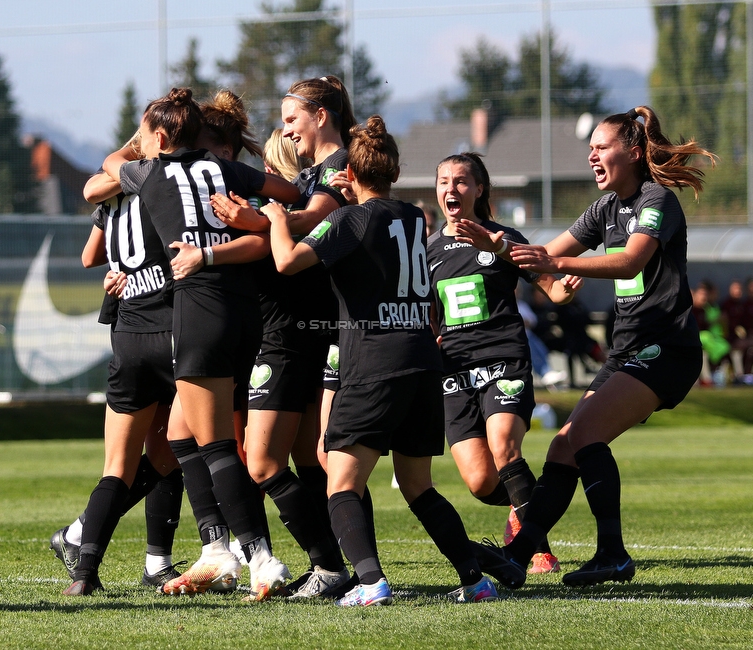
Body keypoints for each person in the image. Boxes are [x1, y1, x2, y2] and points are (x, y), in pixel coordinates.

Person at [460, 106, 712, 586]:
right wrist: (498, 249)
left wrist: (555, 265)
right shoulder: (605, 208)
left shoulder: (656, 200)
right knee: (562, 448)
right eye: (590, 149)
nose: (592, 157)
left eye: (601, 148)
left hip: (664, 350)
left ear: (633, 152)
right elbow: (547, 255)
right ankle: (518, 557)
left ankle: (611, 555)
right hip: (627, 351)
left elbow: (630, 262)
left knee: (585, 437)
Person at [266, 115, 499, 606]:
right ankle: (475, 581)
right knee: (419, 487)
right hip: (421, 362)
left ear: (348, 173)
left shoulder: (348, 219)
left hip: (374, 363)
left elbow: (287, 262)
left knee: (341, 483)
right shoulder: (414, 217)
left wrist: (274, 220)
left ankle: (371, 584)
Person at [102, 87, 302, 600]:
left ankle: (260, 557)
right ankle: (215, 549)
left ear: (161, 137)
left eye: (147, 134)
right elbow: (288, 193)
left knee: (216, 447)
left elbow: (109, 164)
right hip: (245, 314)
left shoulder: (148, 172)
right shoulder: (226, 170)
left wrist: (134, 145)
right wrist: (250, 221)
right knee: (183, 435)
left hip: (199, 311)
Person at [209, 77, 358, 599]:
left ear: (320, 115)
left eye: (292, 117)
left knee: (263, 462)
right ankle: (340, 564)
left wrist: (255, 220)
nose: (286, 128)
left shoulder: (340, 168)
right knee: (306, 460)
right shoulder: (318, 171)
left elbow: (312, 220)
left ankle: (332, 565)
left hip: (292, 333)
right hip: (304, 328)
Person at [427, 152, 581, 577]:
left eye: (461, 181)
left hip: (502, 361)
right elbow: (430, 316)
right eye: (444, 181)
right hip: (454, 372)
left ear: (479, 189)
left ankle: (537, 550)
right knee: (479, 482)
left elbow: (552, 289)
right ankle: (522, 506)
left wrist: (564, 290)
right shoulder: (429, 251)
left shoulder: (503, 238)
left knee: (504, 449)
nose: (451, 189)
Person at [49, 131, 185, 596]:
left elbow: (90, 254)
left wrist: (125, 269)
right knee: (189, 451)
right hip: (170, 330)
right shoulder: (167, 182)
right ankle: (229, 553)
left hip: (128, 333)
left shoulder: (113, 188)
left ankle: (90, 558)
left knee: (143, 461)